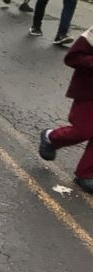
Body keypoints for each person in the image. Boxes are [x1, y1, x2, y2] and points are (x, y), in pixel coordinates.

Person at [39, 24, 93, 194]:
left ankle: (86, 174)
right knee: (83, 131)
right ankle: (51, 138)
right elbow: (73, 57)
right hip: (90, 91)